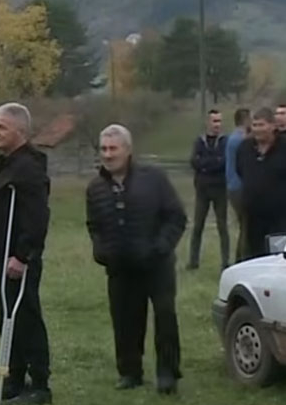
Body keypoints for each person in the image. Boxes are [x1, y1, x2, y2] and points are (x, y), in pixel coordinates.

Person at [85, 125, 186, 395]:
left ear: (127, 150)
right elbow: (93, 224)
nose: (107, 154)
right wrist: (100, 250)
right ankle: (130, 372)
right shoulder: (95, 188)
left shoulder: (154, 179)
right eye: (103, 149)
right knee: (124, 320)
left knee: (165, 317)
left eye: (113, 148)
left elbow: (176, 217)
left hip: (156, 264)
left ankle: (168, 373)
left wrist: (161, 246)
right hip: (119, 267)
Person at [0, 103, 52, 404]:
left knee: (25, 317)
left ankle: (40, 384)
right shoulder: (7, 163)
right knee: (7, 316)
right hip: (1, 256)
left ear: (20, 131)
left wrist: (23, 256)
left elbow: (37, 217)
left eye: (2, 127)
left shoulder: (28, 169)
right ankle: (14, 378)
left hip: (17, 258)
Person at [235, 108, 286, 259]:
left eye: (261, 125)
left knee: (278, 257)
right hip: (254, 216)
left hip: (282, 217)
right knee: (254, 257)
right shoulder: (244, 148)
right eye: (255, 125)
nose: (257, 130)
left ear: (273, 126)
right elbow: (241, 171)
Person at [187, 109, 228, 270]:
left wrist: (205, 164)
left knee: (222, 226)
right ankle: (193, 262)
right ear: (208, 122)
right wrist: (211, 163)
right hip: (202, 189)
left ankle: (225, 262)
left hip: (220, 189)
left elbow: (223, 162)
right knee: (198, 226)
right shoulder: (200, 141)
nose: (217, 124)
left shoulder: (225, 141)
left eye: (219, 121)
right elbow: (194, 162)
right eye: (214, 121)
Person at [223, 108, 250, 264]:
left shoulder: (231, 138)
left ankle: (240, 258)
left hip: (232, 187)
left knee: (243, 227)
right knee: (246, 227)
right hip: (239, 188)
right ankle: (241, 260)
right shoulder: (240, 140)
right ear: (245, 120)